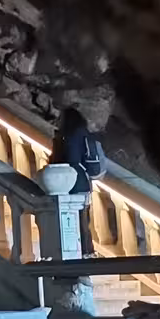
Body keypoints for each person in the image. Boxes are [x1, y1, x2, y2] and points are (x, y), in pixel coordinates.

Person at [55, 107, 107, 253]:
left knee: (72, 222)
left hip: (67, 183)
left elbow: (70, 159)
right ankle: (86, 252)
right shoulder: (83, 134)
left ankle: (78, 252)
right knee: (83, 221)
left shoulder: (68, 136)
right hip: (82, 184)